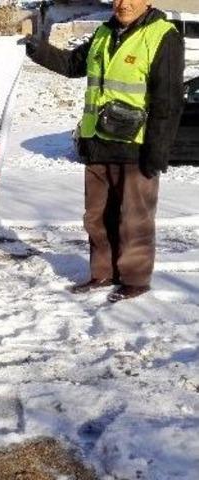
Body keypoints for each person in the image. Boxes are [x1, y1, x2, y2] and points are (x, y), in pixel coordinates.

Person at [25, 0, 184, 303]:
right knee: (96, 217)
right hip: (98, 142)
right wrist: (35, 47)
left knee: (133, 218)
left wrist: (158, 151)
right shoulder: (102, 34)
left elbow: (168, 99)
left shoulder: (163, 35)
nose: (122, 4)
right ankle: (103, 273)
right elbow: (72, 65)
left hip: (136, 146)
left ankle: (135, 279)